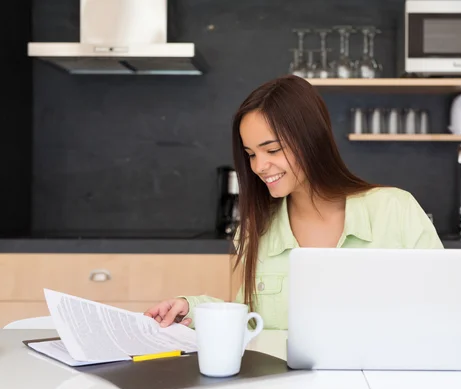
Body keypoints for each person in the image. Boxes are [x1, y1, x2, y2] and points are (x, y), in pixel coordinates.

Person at [144, 74, 443, 330]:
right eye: (251, 154)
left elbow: (446, 309)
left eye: (271, 150)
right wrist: (190, 308)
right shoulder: (258, 229)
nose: (259, 166)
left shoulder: (396, 210)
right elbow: (249, 322)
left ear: (312, 140)